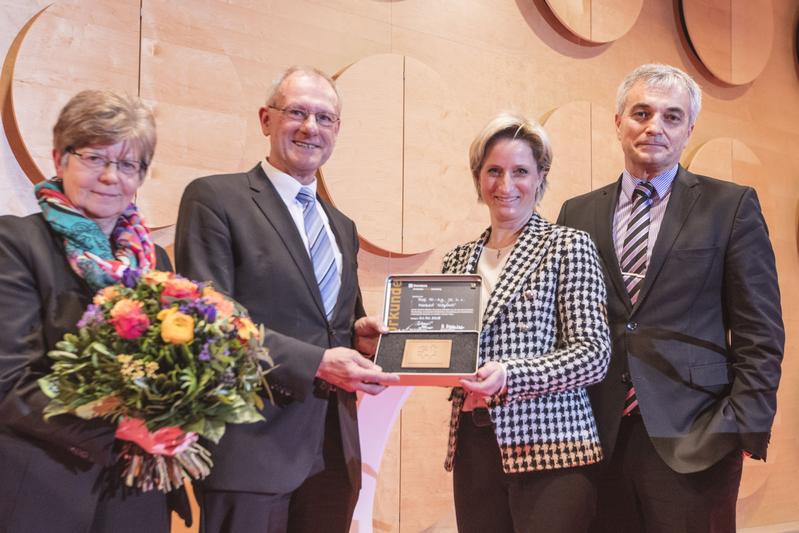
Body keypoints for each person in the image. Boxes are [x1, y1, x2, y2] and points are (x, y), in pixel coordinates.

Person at [557, 63, 784, 532]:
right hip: (596, 434)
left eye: (672, 116)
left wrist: (742, 424)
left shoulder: (732, 205)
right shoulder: (576, 212)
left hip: (697, 435)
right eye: (641, 113)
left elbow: (759, 330)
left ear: (689, 129)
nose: (654, 127)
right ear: (618, 121)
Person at [175, 65, 399, 533]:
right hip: (251, 448)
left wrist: (361, 335)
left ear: (337, 131)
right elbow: (211, 324)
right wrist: (316, 361)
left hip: (333, 453)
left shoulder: (341, 226)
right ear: (265, 119)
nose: (310, 127)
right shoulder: (215, 198)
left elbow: (335, 323)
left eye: (325, 118)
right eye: (296, 112)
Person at [0, 90, 184, 532]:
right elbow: (9, 385)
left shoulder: (154, 262)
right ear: (59, 158)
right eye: (94, 157)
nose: (109, 177)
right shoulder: (17, 244)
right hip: (42, 491)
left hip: (135, 496)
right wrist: (119, 427)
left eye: (127, 165)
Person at [441, 112, 611, 533]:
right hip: (474, 444)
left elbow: (593, 355)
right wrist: (393, 347)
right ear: (478, 177)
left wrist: (510, 374)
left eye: (520, 171)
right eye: (493, 171)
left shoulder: (568, 246)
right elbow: (440, 352)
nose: (505, 185)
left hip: (551, 449)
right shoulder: (456, 260)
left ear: (540, 178)